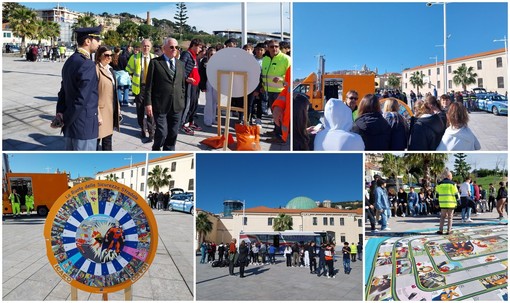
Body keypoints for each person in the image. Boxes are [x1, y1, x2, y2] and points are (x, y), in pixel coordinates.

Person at [55, 26, 102, 150]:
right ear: (88, 41)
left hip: (70, 126)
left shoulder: (70, 61)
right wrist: (66, 119)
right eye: (97, 39)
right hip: (83, 127)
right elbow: (82, 99)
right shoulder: (87, 64)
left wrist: (60, 113)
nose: (100, 42)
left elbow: (63, 90)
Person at [145, 38, 186, 151]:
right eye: (172, 47)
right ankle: (156, 149)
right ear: (164, 48)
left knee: (173, 134)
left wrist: (182, 99)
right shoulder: (155, 63)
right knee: (162, 133)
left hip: (177, 105)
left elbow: (182, 85)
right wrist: (148, 103)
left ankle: (169, 151)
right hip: (160, 104)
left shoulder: (180, 64)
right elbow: (149, 86)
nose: (174, 49)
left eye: (176, 47)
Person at [261, 39, 291, 143]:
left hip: (280, 92)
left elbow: (290, 76)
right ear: (267, 48)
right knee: (275, 114)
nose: (274, 48)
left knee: (280, 115)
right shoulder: (265, 59)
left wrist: (282, 79)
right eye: (272, 46)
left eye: (276, 46)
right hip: (269, 91)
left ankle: (280, 137)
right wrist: (262, 86)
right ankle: (276, 131)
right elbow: (264, 75)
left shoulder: (286, 59)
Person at [126, 39, 155, 140]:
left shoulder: (154, 58)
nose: (146, 48)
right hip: (139, 88)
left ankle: (151, 131)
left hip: (151, 88)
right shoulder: (134, 58)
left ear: (150, 47)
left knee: (151, 110)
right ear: (141, 47)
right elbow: (128, 70)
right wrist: (131, 78)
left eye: (148, 46)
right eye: (144, 46)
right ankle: (142, 129)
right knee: (140, 110)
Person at [95, 46, 121, 151]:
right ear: (99, 56)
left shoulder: (110, 69)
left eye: (111, 55)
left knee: (108, 141)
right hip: (100, 112)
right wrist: (97, 114)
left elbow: (114, 92)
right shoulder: (95, 69)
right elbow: (93, 94)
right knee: (96, 141)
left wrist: (118, 108)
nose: (109, 57)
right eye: (106, 55)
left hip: (111, 111)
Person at [179, 38, 204, 135]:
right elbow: (181, 68)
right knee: (188, 104)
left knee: (194, 104)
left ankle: (190, 121)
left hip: (195, 85)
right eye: (199, 47)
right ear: (194, 45)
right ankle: (183, 124)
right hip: (189, 84)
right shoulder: (186, 54)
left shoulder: (194, 56)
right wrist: (186, 78)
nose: (200, 50)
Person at [435, 169, 460, 235]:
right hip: (451, 204)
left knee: (442, 217)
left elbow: (436, 195)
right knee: (450, 217)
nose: (452, 177)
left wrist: (436, 203)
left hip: (443, 204)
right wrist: (458, 202)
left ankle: (440, 230)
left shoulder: (439, 184)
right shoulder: (453, 184)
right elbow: (456, 194)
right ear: (448, 176)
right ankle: (449, 231)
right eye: (451, 176)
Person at [198, 46, 217, 127]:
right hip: (208, 83)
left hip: (216, 83)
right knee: (209, 102)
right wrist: (202, 86)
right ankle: (207, 119)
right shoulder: (205, 62)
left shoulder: (218, 62)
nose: (212, 56)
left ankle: (213, 118)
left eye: (214, 54)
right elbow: (202, 74)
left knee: (215, 102)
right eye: (211, 54)